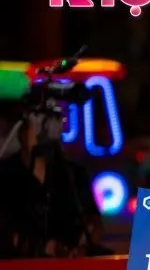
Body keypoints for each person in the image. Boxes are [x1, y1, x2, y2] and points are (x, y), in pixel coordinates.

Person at [0, 104, 105, 259]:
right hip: (17, 268)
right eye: (37, 125)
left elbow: (93, 221)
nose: (43, 133)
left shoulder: (73, 173)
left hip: (70, 269)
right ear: (21, 131)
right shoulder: (6, 174)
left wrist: (82, 247)